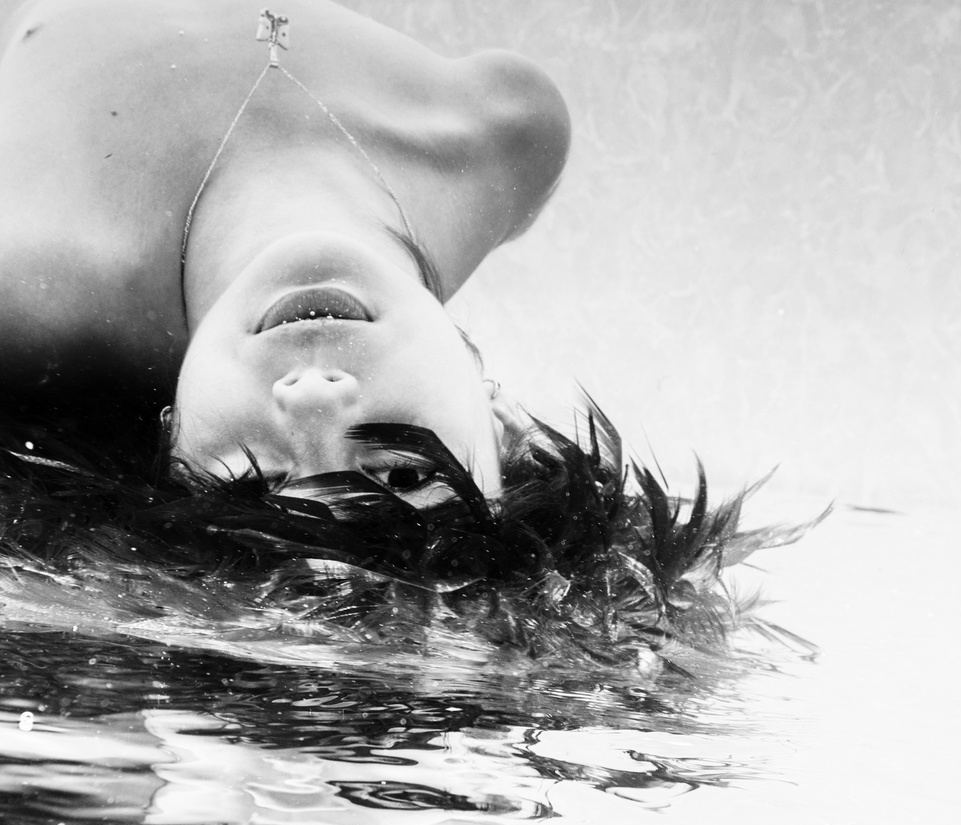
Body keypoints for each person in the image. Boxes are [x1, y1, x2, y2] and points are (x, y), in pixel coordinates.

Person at [0, 0, 812, 668]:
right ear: (504, 423)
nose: (314, 399)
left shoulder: (31, 282)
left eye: (254, 476)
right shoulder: (511, 132)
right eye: (401, 471)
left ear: (169, 433)